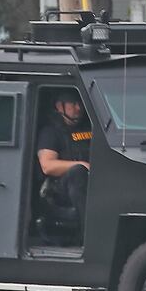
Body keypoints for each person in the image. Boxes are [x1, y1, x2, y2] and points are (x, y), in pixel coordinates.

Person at [36, 91, 92, 234]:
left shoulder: (90, 127)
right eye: (73, 103)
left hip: (92, 183)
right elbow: (47, 166)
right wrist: (82, 165)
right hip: (61, 191)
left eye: (80, 103)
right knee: (77, 172)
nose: (78, 108)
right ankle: (88, 235)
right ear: (59, 106)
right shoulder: (51, 132)